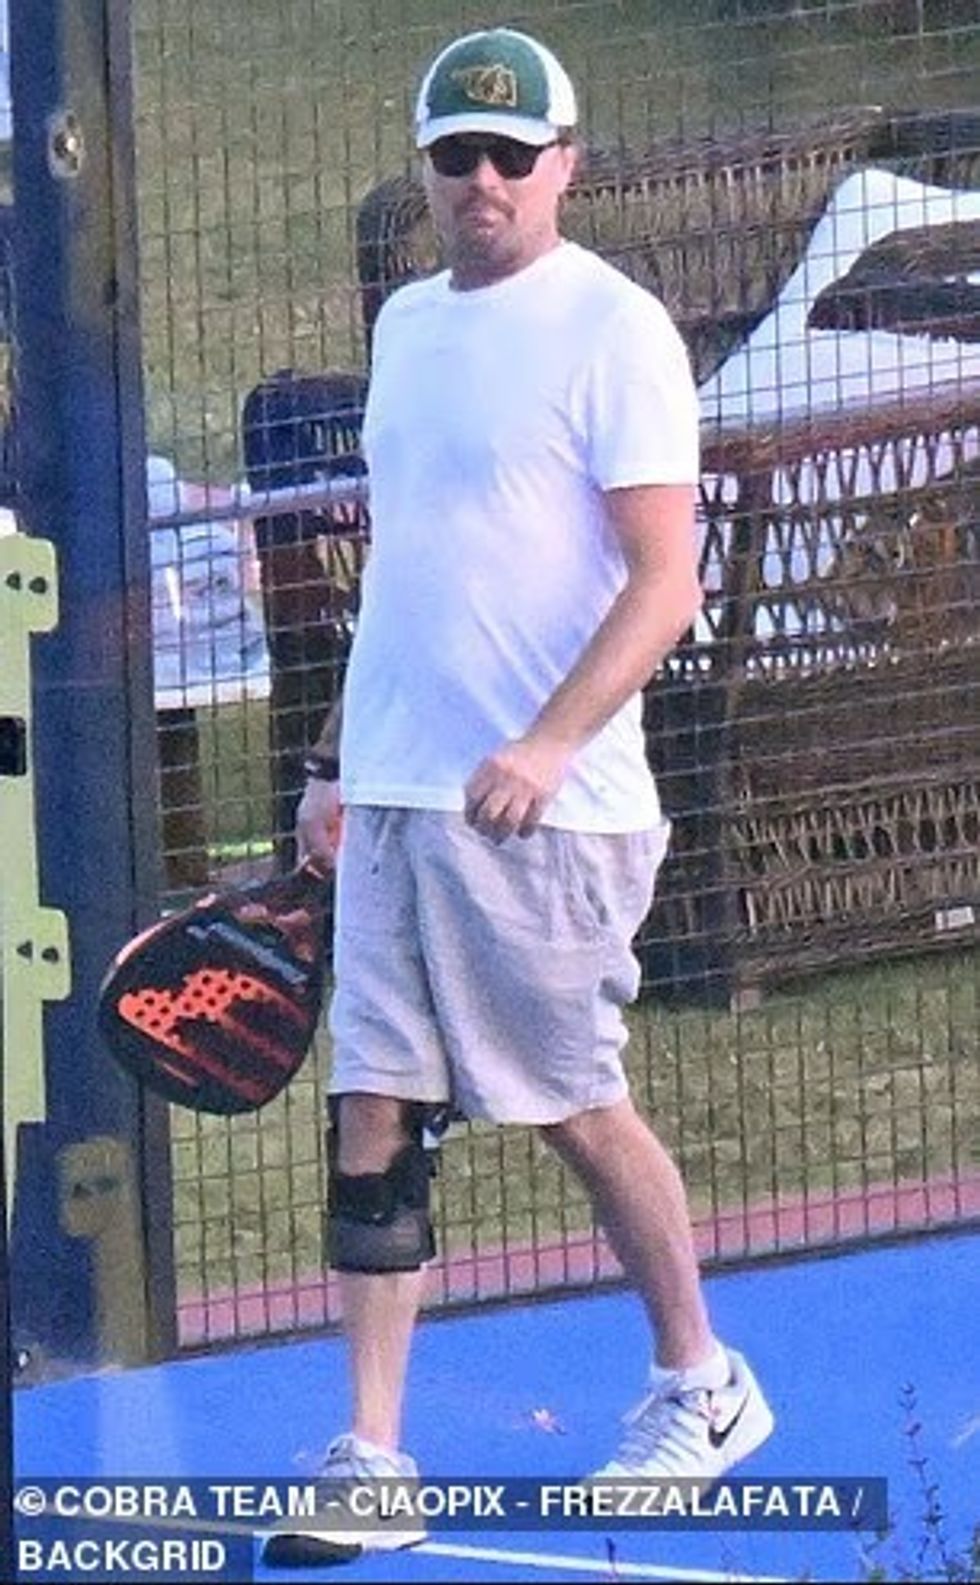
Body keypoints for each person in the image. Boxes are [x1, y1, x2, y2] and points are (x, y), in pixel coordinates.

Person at [262, 25, 773, 1567]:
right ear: (426, 171)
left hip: (551, 814)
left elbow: (666, 583)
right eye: (454, 154)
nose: (480, 179)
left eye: (509, 153)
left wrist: (546, 745)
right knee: (372, 1113)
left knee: (569, 1104)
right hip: (398, 799)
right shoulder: (411, 328)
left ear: (564, 164)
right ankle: (373, 1454)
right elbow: (411, 576)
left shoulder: (616, 330)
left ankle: (703, 1381)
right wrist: (337, 765)